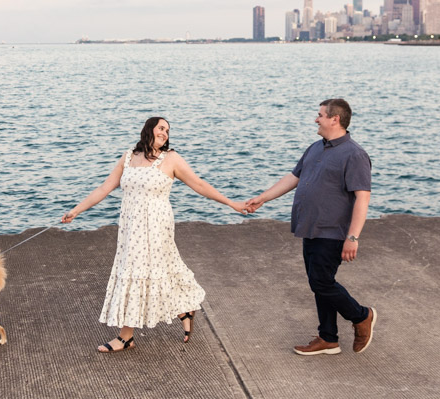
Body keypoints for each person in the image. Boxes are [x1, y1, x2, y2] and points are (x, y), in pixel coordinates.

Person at [61, 116, 248, 353]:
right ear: (148, 129)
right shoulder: (129, 157)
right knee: (143, 272)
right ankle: (182, 310)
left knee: (146, 272)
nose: (165, 133)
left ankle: (126, 337)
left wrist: (232, 203)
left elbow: (199, 185)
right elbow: (104, 188)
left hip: (156, 226)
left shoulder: (171, 158)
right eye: (161, 128)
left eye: (168, 131)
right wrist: (76, 211)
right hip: (131, 229)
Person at [245, 98, 375, 356]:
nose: (316, 119)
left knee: (322, 282)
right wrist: (263, 197)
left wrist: (353, 237)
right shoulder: (315, 148)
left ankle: (361, 316)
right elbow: (294, 178)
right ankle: (328, 338)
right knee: (319, 282)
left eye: (320, 115)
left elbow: (363, 197)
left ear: (334, 119)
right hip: (310, 227)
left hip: (333, 230)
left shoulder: (355, 154)